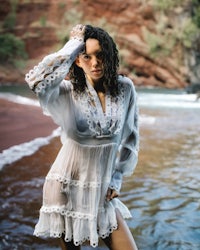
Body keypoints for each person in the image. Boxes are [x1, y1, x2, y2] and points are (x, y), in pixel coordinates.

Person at [25, 24, 139, 250]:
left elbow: (131, 138)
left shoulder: (125, 89)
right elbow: (36, 81)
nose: (95, 63)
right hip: (65, 187)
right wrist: (74, 44)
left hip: (103, 192)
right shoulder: (66, 92)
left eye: (100, 55)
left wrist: (117, 179)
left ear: (109, 55)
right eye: (86, 56)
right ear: (77, 60)